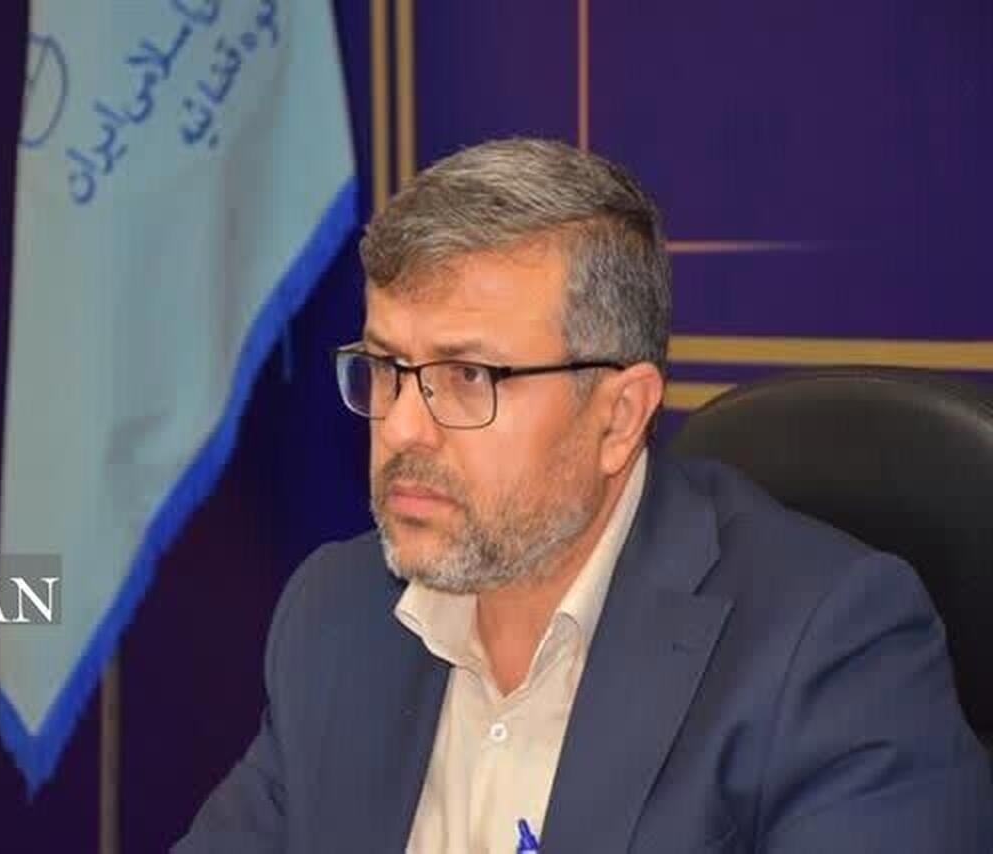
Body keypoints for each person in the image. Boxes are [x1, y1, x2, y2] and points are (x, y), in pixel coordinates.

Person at [174, 139, 993, 852]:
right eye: (388, 367)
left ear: (619, 417)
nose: (403, 428)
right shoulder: (337, 614)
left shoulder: (825, 650)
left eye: (468, 376)